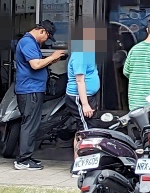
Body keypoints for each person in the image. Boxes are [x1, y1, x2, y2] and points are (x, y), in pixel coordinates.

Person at [13, 20, 66, 171]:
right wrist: (53, 56)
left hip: (33, 88)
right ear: (42, 31)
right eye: (47, 37)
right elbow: (35, 65)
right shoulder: (28, 42)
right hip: (30, 90)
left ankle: (26, 157)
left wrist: (52, 60)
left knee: (31, 123)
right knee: (29, 124)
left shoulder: (30, 42)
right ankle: (23, 159)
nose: (46, 41)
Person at [66, 18, 101, 129]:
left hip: (88, 96)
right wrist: (85, 104)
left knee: (86, 127)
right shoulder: (81, 54)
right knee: (86, 130)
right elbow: (80, 81)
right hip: (79, 97)